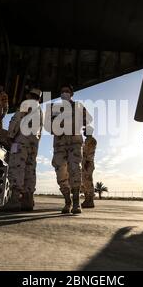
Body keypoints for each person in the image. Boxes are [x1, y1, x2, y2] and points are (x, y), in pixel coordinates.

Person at [44, 85, 92, 214]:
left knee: (75, 170)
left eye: (67, 91)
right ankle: (67, 201)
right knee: (60, 173)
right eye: (62, 91)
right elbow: (48, 126)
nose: (64, 93)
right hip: (59, 144)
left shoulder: (78, 106)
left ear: (72, 93)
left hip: (74, 144)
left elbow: (88, 119)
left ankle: (76, 203)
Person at [0, 88, 43, 212]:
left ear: (28, 95)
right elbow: (41, 131)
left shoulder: (26, 104)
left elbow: (16, 120)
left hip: (21, 141)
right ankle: (27, 201)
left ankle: (14, 201)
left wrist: (10, 136)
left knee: (17, 167)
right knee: (30, 170)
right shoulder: (40, 110)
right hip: (34, 144)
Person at [81, 127, 97, 208]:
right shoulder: (87, 140)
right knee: (84, 181)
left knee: (88, 181)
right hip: (85, 163)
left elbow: (90, 152)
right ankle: (87, 199)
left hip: (88, 163)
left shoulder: (92, 140)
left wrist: (87, 161)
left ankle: (90, 201)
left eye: (85, 131)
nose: (84, 132)